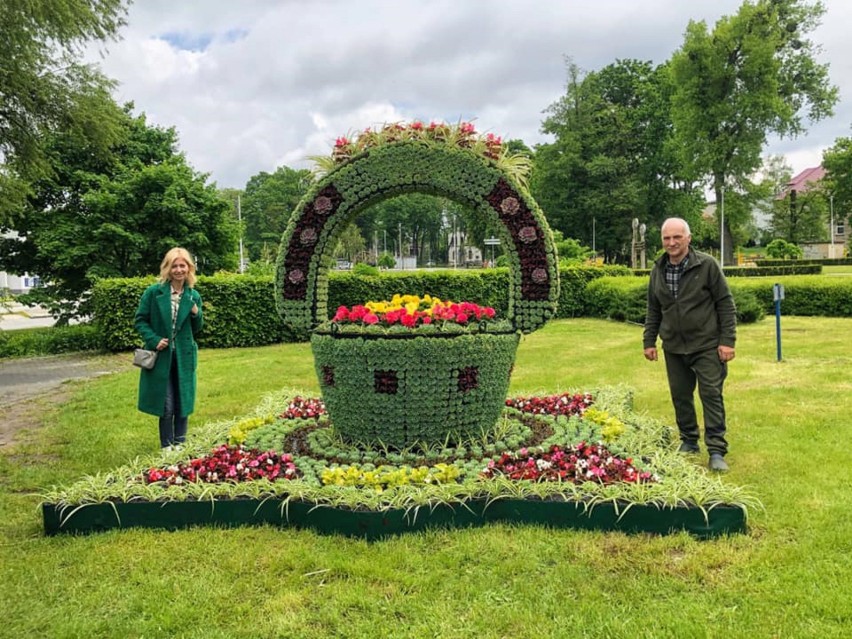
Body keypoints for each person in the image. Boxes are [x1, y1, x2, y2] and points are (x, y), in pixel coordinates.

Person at [643, 218, 736, 472]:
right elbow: (654, 308)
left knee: (711, 396)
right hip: (673, 346)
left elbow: (725, 304)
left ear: (688, 238)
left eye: (677, 237)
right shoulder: (658, 269)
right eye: (666, 238)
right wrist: (649, 341)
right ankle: (689, 441)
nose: (671, 243)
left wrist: (727, 341)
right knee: (681, 396)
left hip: (706, 345)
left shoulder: (706, 265)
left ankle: (716, 450)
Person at [135, 247, 203, 449]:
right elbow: (140, 320)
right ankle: (167, 447)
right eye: (174, 265)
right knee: (167, 405)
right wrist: (154, 339)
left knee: (183, 403)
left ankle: (180, 444)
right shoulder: (153, 293)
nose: (179, 270)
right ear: (167, 268)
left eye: (183, 265)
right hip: (161, 357)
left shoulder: (193, 295)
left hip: (184, 356)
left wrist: (196, 313)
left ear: (189, 268)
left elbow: (197, 328)